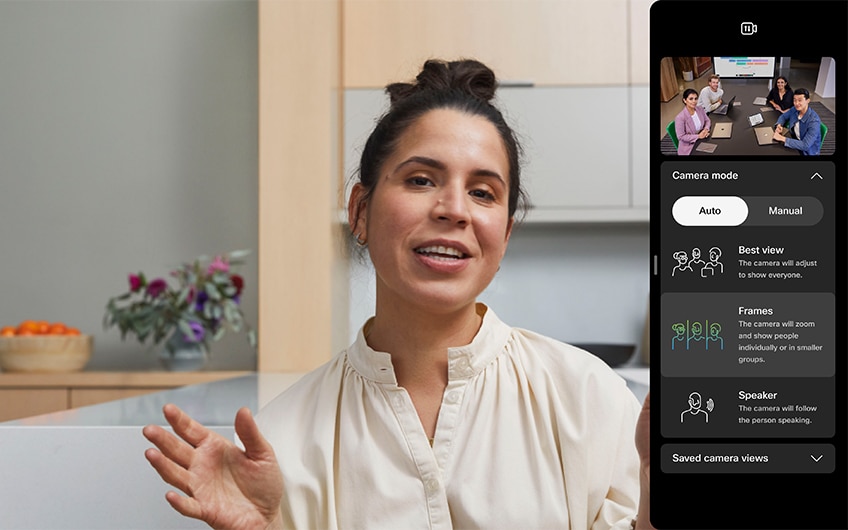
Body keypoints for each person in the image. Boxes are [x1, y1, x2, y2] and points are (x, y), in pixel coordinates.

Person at [142, 59, 654, 530]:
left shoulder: (588, 396)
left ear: (505, 233)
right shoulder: (282, 437)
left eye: (483, 192)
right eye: (421, 179)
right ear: (360, 211)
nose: (455, 209)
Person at [773, 87, 822, 155]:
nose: (796, 103)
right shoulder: (795, 109)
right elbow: (783, 116)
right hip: (794, 140)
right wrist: (779, 125)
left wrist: (782, 138)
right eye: (794, 100)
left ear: (807, 101)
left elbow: (805, 145)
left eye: (800, 100)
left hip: (806, 152)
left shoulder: (814, 121)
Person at [674, 88, 711, 155]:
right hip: (689, 145)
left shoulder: (700, 109)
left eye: (696, 98)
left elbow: (707, 120)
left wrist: (705, 129)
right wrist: (698, 136)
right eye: (691, 99)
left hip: (701, 138)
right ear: (684, 100)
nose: (694, 101)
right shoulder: (680, 117)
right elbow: (681, 136)